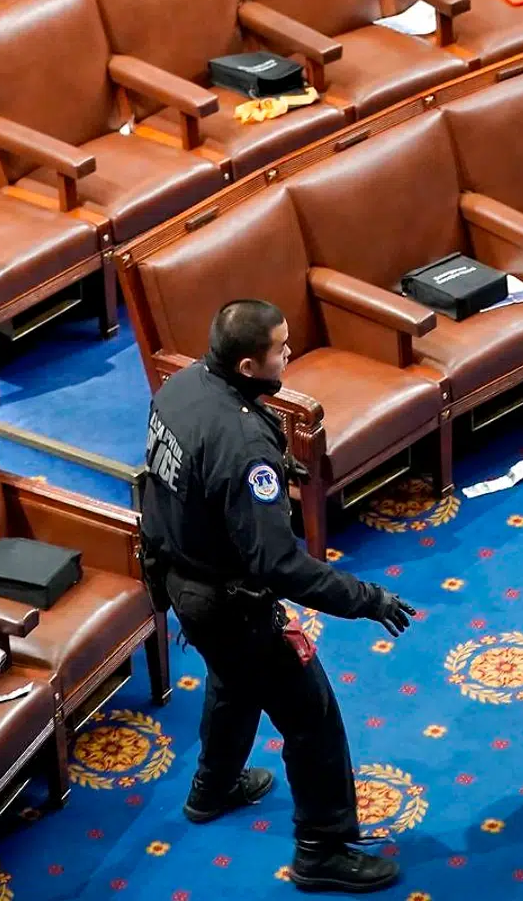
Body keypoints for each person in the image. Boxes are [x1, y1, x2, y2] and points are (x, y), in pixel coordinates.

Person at [140, 299, 416, 894]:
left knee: (232, 680)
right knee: (311, 717)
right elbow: (280, 564)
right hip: (230, 601)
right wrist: (366, 599)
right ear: (246, 364)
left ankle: (212, 788)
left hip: (182, 581)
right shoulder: (244, 447)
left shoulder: (181, 385)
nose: (289, 353)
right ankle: (323, 850)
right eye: (280, 348)